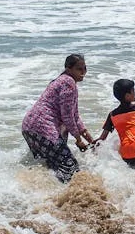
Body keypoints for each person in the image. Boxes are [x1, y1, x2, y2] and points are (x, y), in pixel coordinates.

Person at [21, 54, 95, 183]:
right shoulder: (68, 82)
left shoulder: (63, 81)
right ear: (68, 69)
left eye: (85, 68)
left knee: (48, 166)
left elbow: (75, 116)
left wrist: (89, 138)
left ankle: (39, 192)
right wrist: (78, 140)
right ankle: (62, 198)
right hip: (42, 129)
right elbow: (67, 117)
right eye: (79, 69)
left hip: (29, 128)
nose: (83, 72)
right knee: (70, 168)